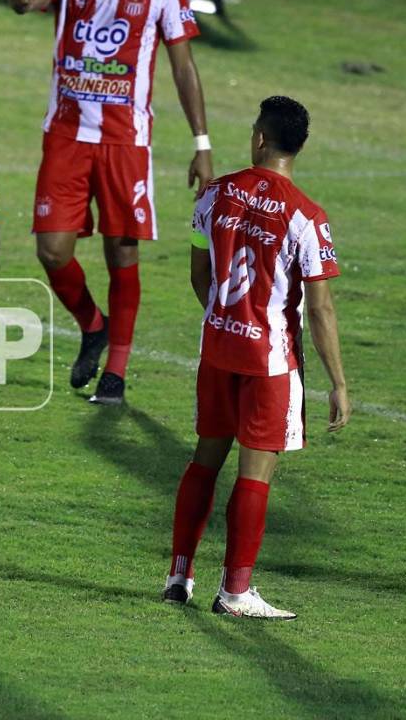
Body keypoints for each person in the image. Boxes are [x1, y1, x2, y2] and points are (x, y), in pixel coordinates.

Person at [7, 0, 212, 404]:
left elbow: (184, 68)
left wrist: (201, 143)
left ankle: (115, 372)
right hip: (67, 137)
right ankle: (92, 325)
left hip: (125, 142)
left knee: (122, 250)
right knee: (52, 251)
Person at [163, 96, 350, 619]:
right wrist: (338, 382)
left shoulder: (215, 193)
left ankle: (179, 574)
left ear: (260, 139)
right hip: (270, 363)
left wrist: (225, 318)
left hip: (217, 349)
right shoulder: (307, 216)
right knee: (254, 474)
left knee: (205, 459)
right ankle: (237, 592)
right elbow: (320, 309)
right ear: (299, 147)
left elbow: (199, 275)